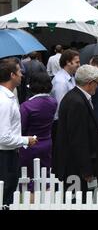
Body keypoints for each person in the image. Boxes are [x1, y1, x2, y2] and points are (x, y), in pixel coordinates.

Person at [53, 65, 98, 200]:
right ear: (90, 83)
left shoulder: (75, 97)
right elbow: (78, 139)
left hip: (75, 165)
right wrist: (86, 170)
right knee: (77, 202)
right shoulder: (77, 102)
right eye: (97, 83)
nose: (97, 86)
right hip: (75, 167)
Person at [0, 58, 38, 206]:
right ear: (12, 75)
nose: (22, 75)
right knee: (5, 197)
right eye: (19, 72)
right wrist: (25, 140)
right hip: (5, 155)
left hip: (8, 153)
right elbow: (3, 137)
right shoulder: (4, 101)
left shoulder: (8, 96)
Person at [19, 72, 57, 194]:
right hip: (47, 142)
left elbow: (21, 128)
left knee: (30, 180)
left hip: (30, 145)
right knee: (45, 177)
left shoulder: (26, 106)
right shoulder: (53, 102)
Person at [51, 49, 80, 138]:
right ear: (68, 62)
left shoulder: (71, 77)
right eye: (77, 62)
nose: (79, 65)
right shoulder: (61, 81)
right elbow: (61, 106)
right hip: (62, 123)